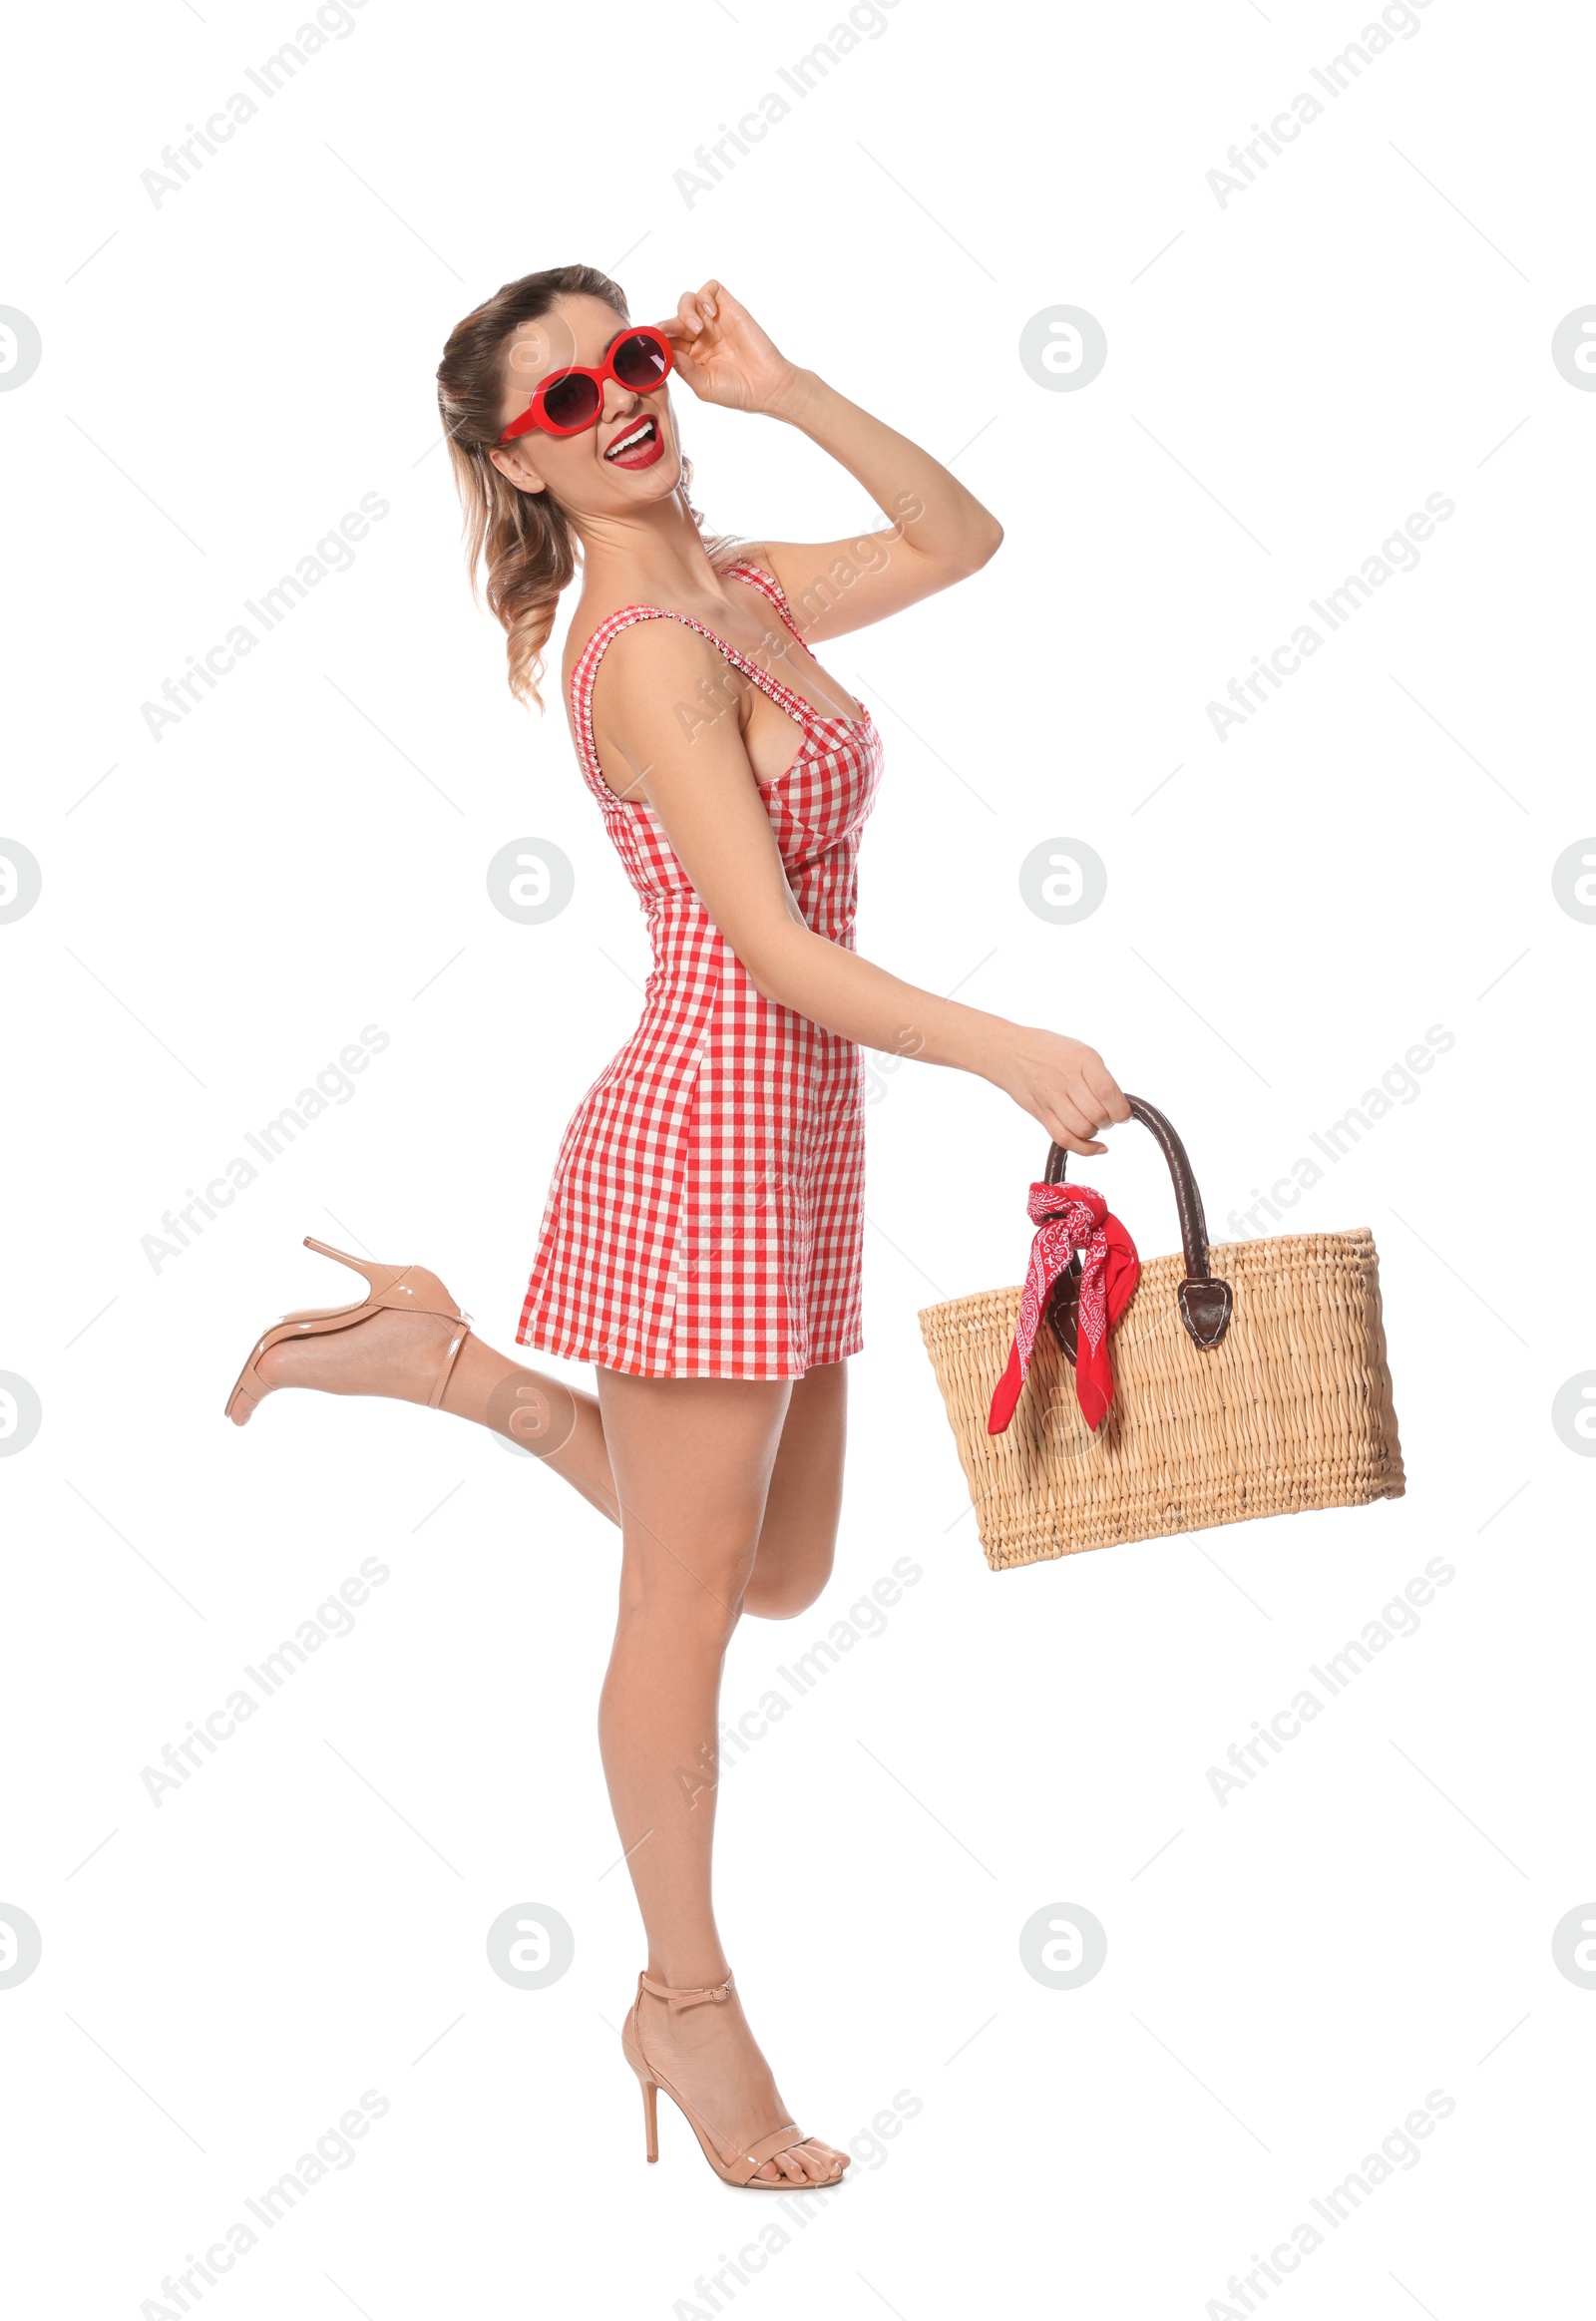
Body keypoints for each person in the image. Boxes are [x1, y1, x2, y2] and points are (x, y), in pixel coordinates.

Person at [224, 266, 1129, 2189]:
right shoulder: (643, 644)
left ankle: (461, 1371)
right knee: (685, 1610)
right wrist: (1008, 1048)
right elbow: (783, 957)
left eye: (627, 358)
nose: (619, 403)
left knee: (781, 1573)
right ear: (514, 463)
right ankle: (688, 2011)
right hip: (709, 1139)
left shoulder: (741, 582)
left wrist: (788, 384)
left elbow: (965, 537)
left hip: (796, 1148)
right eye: (564, 400)